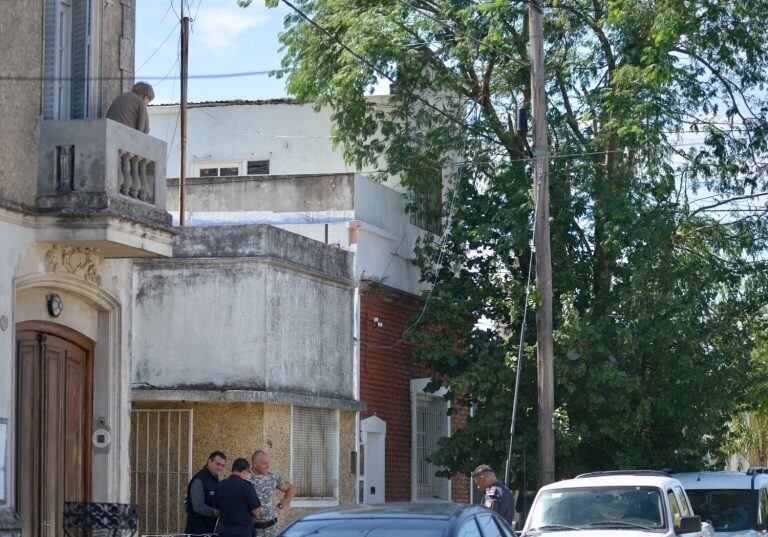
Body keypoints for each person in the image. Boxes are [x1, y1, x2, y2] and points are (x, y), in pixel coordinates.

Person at [249, 450, 297, 537]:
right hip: (253, 530)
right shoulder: (245, 477)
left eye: (268, 463)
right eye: (264, 463)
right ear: (254, 464)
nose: (268, 466)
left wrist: (280, 506)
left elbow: (292, 489)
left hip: (272, 530)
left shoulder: (272, 477)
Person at [215, 458, 262, 537]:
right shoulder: (246, 486)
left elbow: (216, 510)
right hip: (242, 532)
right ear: (244, 471)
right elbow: (256, 512)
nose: (247, 475)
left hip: (224, 531)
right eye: (248, 473)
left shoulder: (220, 485)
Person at [185, 451, 227, 535]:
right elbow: (198, 506)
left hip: (211, 530)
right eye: (217, 464)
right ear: (209, 461)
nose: (220, 467)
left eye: (222, 465)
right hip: (197, 531)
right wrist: (215, 512)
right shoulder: (199, 480)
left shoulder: (216, 480)